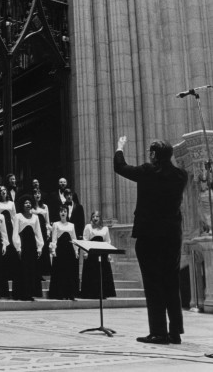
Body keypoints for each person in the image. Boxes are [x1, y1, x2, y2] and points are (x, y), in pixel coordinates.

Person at [114, 135, 187, 345]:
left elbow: (121, 167)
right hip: (172, 236)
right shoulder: (181, 176)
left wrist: (120, 148)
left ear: (154, 155)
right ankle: (175, 332)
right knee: (171, 283)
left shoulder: (147, 172)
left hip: (149, 236)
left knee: (154, 284)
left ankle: (158, 332)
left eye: (150, 152)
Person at [12, 194, 44, 301]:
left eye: (29, 203)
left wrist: (39, 247)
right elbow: (15, 233)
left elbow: (38, 233)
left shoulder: (35, 217)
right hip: (23, 245)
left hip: (31, 246)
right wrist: (18, 247)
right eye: (26, 203)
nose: (28, 204)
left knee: (31, 270)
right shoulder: (18, 216)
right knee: (22, 269)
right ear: (22, 205)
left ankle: (30, 293)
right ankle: (21, 294)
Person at [80, 211, 116, 299]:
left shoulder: (105, 229)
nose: (95, 218)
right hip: (92, 254)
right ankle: (91, 293)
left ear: (100, 218)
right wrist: (85, 253)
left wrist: (108, 255)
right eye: (93, 216)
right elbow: (85, 240)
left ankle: (102, 293)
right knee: (92, 273)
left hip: (102, 253)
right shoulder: (88, 227)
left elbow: (108, 241)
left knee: (102, 273)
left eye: (97, 216)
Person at [48, 204, 79, 300]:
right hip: (60, 251)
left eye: (65, 211)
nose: (63, 213)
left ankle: (70, 293)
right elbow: (54, 239)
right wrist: (53, 250)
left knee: (69, 272)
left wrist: (76, 251)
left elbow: (74, 239)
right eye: (61, 211)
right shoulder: (56, 224)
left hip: (69, 252)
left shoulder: (71, 225)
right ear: (59, 213)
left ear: (67, 213)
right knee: (60, 272)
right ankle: (59, 293)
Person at [0, 186, 17, 294]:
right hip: (1, 227)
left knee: (11, 250)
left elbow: (14, 217)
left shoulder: (11, 203)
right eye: (1, 191)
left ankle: (11, 272)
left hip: (10, 227)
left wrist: (15, 230)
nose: (3, 192)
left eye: (5, 190)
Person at [32, 189, 52, 276]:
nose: (37, 195)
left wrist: (48, 232)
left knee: (44, 249)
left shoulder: (45, 206)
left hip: (43, 230)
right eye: (35, 193)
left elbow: (47, 221)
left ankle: (44, 271)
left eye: (39, 193)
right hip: (34, 230)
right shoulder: (31, 207)